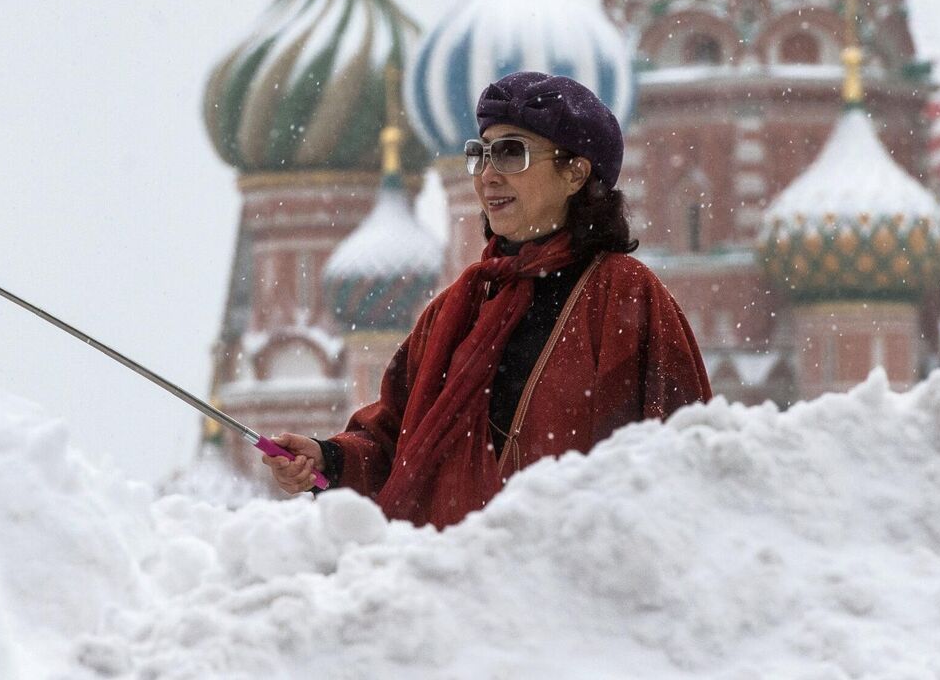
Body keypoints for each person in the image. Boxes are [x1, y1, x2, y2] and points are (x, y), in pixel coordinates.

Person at [262, 70, 711, 528]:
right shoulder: (456, 308)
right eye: (480, 155)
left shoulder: (626, 295)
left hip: (575, 579)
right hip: (455, 578)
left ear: (576, 171)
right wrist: (329, 458)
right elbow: (395, 441)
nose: (488, 176)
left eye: (511, 153)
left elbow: (683, 459)